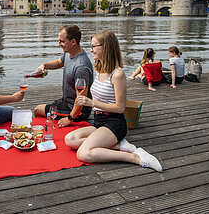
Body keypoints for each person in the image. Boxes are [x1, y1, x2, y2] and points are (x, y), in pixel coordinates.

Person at [64, 30, 163, 172]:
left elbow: (120, 108)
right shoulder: (98, 69)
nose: (91, 50)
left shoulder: (117, 74)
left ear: (106, 47)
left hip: (114, 123)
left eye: (94, 46)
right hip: (99, 122)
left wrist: (92, 103)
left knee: (83, 154)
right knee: (70, 140)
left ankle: (136, 157)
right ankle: (120, 146)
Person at [33, 25, 93, 128]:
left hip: (78, 110)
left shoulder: (81, 67)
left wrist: (70, 118)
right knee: (42, 111)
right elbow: (59, 62)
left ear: (73, 42)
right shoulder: (69, 53)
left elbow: (81, 97)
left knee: (37, 110)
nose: (59, 44)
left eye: (62, 41)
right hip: (67, 101)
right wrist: (44, 65)